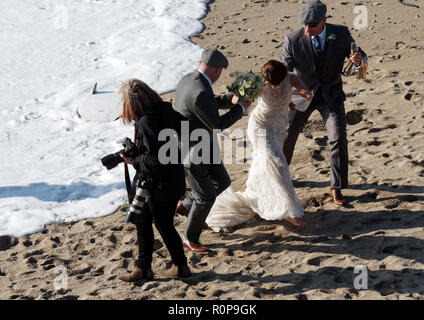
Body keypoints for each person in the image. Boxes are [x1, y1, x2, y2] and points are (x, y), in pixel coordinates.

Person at [205, 60, 312, 232]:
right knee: (277, 162)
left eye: (277, 83)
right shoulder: (257, 83)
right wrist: (236, 98)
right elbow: (237, 100)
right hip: (260, 127)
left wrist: (303, 93)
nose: (275, 87)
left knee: (265, 170)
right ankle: (290, 211)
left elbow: (301, 86)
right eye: (271, 84)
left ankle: (262, 202)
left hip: (279, 129)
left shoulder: (289, 77)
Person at [281, 0, 364, 206]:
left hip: (331, 95)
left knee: (338, 138)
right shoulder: (292, 39)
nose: (307, 29)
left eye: (312, 25)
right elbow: (285, 72)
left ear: (324, 21)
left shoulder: (342, 33)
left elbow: (360, 55)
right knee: (286, 139)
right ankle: (280, 179)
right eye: (304, 25)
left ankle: (336, 187)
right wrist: (296, 91)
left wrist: (358, 59)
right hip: (301, 97)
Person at [174, 49, 251, 252]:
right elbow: (217, 124)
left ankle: (188, 205)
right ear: (218, 70)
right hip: (193, 152)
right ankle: (189, 237)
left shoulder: (189, 79)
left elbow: (206, 103)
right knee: (206, 196)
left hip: (200, 147)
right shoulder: (200, 91)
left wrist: (228, 99)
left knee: (222, 182)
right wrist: (241, 109)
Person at [117, 79, 191, 282]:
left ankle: (176, 266)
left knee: (161, 224)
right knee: (150, 222)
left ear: (133, 104)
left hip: (158, 184)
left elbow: (153, 159)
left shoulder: (147, 121)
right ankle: (147, 268)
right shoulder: (168, 111)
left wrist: (133, 159)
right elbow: (186, 132)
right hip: (173, 177)